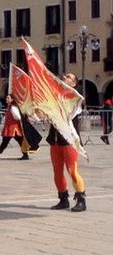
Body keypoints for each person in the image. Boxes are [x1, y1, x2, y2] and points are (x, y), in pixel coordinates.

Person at [46, 73, 87, 212]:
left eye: (69, 77)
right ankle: (63, 200)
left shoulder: (76, 99)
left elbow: (67, 115)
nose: (64, 76)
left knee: (72, 170)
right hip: (55, 140)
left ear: (73, 84)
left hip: (69, 140)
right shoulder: (54, 98)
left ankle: (81, 200)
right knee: (57, 172)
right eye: (65, 75)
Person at [0, 94, 29, 160]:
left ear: (12, 99)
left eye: (8, 98)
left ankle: (25, 154)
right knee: (7, 141)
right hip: (10, 127)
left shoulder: (13, 107)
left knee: (18, 141)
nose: (6, 99)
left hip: (13, 127)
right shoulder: (10, 106)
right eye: (6, 98)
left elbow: (17, 116)